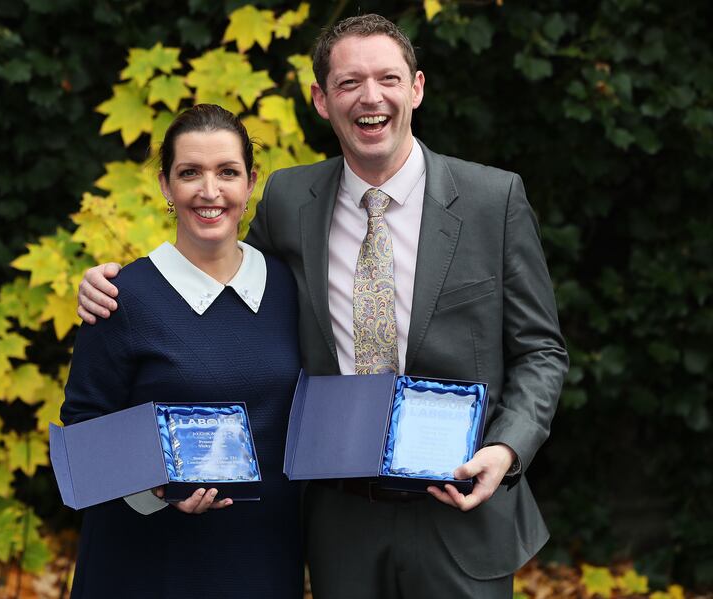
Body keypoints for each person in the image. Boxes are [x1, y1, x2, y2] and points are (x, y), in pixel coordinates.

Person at [77, 14, 569, 599]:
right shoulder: (290, 200)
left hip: (462, 509)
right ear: (320, 99)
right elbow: (211, 286)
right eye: (349, 83)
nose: (371, 98)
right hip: (339, 522)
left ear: (416, 87)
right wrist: (119, 282)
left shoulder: (494, 199)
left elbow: (541, 349)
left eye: (387, 78)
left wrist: (507, 447)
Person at [61, 104, 303, 598]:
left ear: (251, 182)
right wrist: (154, 491)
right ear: (166, 186)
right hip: (148, 563)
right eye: (190, 172)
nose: (209, 192)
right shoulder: (121, 297)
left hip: (261, 558)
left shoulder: (288, 287)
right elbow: (83, 425)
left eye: (227, 173)